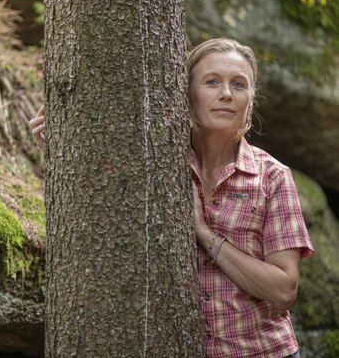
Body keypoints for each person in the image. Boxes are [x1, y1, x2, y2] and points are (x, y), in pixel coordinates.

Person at [29, 38, 313, 358]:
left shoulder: (273, 176)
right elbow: (103, 211)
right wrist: (59, 154)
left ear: (250, 99)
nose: (226, 94)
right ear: (188, 93)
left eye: (239, 84)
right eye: (211, 82)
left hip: (265, 352)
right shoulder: (158, 164)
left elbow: (283, 289)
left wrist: (204, 233)